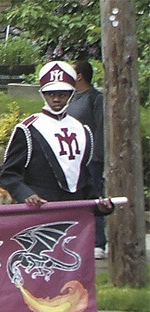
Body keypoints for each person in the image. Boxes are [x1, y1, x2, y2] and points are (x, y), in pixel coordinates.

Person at [0, 61, 113, 312]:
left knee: (72, 279)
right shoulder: (29, 128)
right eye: (52, 93)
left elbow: (89, 179)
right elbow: (9, 175)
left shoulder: (82, 130)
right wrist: (27, 195)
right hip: (42, 218)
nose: (58, 99)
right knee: (44, 281)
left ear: (72, 92)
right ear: (43, 93)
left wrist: (98, 205)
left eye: (63, 93)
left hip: (75, 218)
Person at [67, 60, 107, 259]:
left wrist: (98, 156)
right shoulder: (71, 98)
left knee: (95, 196)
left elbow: (101, 128)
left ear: (80, 75)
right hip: (74, 156)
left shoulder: (95, 98)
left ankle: (99, 241)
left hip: (92, 157)